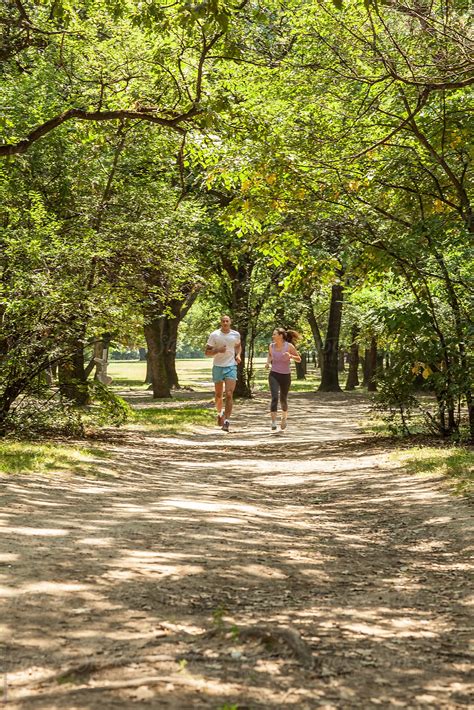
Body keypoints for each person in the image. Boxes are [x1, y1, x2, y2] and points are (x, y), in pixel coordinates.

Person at [205, 315, 241, 432]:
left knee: (229, 394)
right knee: (218, 395)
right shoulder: (214, 335)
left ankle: (226, 421)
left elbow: (238, 345)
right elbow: (207, 352)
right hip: (218, 367)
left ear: (230, 322)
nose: (225, 323)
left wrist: (238, 355)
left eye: (227, 321)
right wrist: (217, 350)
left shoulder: (235, 334)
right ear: (220, 323)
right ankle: (220, 413)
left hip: (231, 366)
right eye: (223, 321)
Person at [265, 327, 301, 432]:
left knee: (283, 399)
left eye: (274, 334)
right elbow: (270, 355)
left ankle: (284, 418)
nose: (273, 336)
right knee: (274, 397)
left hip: (285, 375)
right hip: (274, 374)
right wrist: (268, 362)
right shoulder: (271, 346)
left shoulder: (289, 346)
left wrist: (290, 356)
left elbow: (299, 359)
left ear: (280, 336)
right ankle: (273, 422)